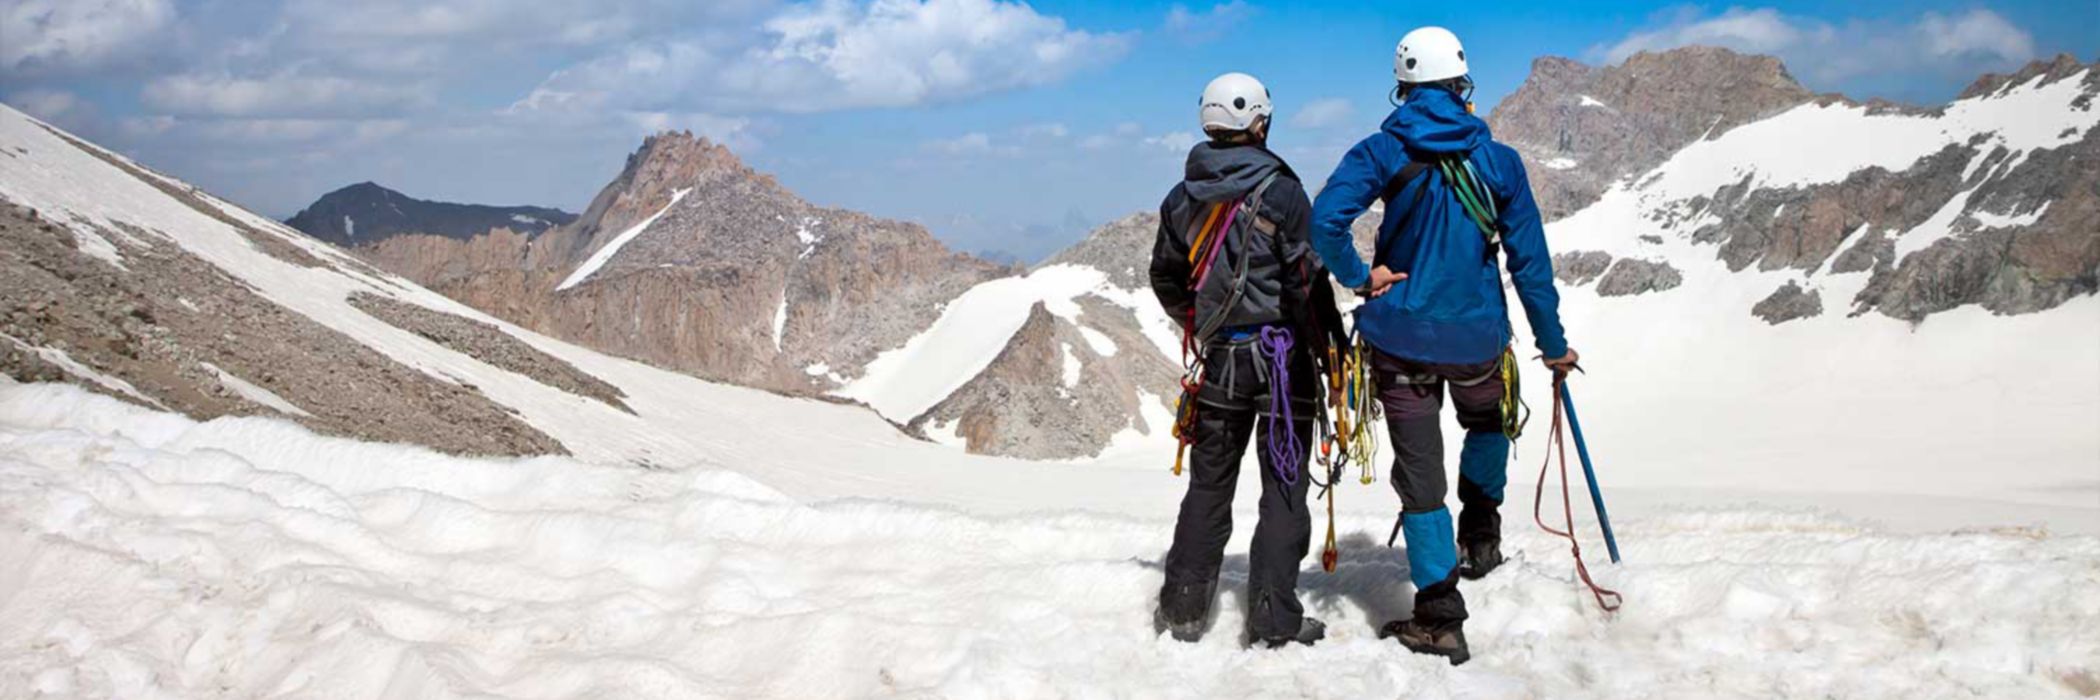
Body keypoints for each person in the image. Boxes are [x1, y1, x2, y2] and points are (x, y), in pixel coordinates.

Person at [1307, 27, 1579, 665]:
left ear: (1402, 85)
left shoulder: (1381, 149)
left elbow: (1325, 222)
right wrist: (1553, 344)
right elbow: (1529, 264)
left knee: (1421, 474)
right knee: (1488, 421)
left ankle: (1439, 613)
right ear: (1463, 85)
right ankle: (1481, 532)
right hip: (1479, 336)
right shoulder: (1500, 161)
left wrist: (1360, 277)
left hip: (1399, 339)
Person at [1150, 72, 1346, 648]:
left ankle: (1184, 609)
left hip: (1222, 361)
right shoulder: (1283, 191)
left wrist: (1204, 322)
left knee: (1210, 484)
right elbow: (1307, 282)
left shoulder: (1182, 197)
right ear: (1260, 122)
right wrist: (1328, 352)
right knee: (1284, 488)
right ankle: (1273, 617)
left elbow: (1166, 275)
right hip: (1284, 365)